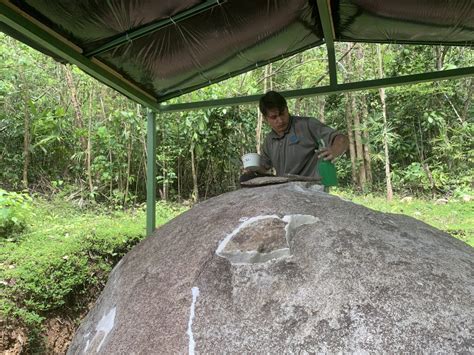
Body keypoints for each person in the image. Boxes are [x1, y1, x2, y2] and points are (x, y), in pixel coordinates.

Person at [241, 91, 348, 182]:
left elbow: (341, 138)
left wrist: (334, 150)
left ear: (287, 109)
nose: (280, 120)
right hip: (285, 191)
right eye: (274, 117)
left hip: (311, 189)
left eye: (282, 113)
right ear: (265, 119)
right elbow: (264, 167)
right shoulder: (269, 140)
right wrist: (252, 168)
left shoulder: (307, 125)